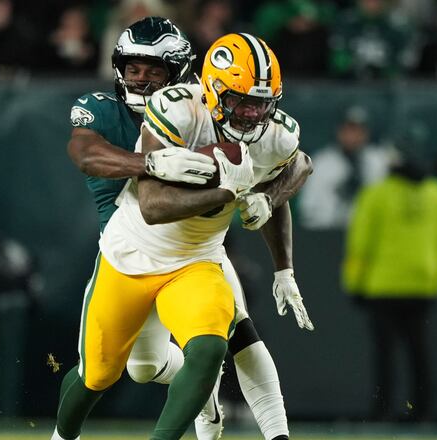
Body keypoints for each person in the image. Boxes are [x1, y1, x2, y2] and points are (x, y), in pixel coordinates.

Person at [55, 29, 313, 440]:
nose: (249, 114)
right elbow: (147, 202)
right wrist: (156, 164)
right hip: (131, 248)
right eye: (134, 69)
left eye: (260, 104)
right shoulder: (169, 111)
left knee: (232, 336)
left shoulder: (273, 131)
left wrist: (270, 210)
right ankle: (199, 391)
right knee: (119, 370)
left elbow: (298, 165)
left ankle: (275, 434)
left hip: (199, 254)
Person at [342, 142, 437, 422]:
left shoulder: (377, 194)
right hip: (423, 284)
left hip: (384, 285)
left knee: (385, 352)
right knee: (419, 350)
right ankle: (423, 409)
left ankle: (382, 410)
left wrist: (354, 283)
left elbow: (361, 242)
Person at [298, 105, 389, 229]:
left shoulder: (379, 161)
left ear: (366, 133)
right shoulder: (322, 163)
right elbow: (308, 210)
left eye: (358, 130)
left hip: (371, 233)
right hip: (330, 234)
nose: (352, 136)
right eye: (348, 129)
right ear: (339, 131)